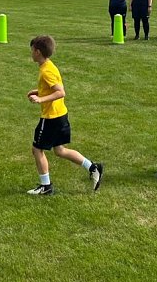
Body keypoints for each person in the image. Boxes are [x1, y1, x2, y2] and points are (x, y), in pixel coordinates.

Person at [26, 35, 103, 195]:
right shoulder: (49, 66)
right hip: (61, 115)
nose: (31, 53)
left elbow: (60, 92)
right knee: (60, 150)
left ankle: (45, 187)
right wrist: (39, 91)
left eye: (32, 50)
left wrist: (40, 99)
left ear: (38, 52)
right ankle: (93, 168)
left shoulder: (46, 71)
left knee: (37, 149)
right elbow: (54, 87)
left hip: (51, 118)